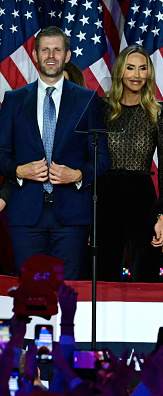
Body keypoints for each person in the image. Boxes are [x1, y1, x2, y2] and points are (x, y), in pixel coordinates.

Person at [0, 26, 110, 280]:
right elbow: (2, 153)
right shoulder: (14, 100)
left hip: (71, 216)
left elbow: (102, 158)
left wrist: (79, 175)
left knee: (68, 292)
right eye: (45, 49)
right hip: (26, 215)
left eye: (57, 50)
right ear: (35, 54)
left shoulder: (88, 100)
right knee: (29, 294)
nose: (51, 55)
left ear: (67, 55)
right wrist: (17, 170)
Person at [96, 45, 163, 283]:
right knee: (104, 272)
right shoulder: (101, 108)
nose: (136, 74)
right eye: (130, 68)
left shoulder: (159, 111)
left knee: (146, 272)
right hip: (105, 196)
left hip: (141, 196)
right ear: (120, 71)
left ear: (149, 74)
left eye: (142, 68)